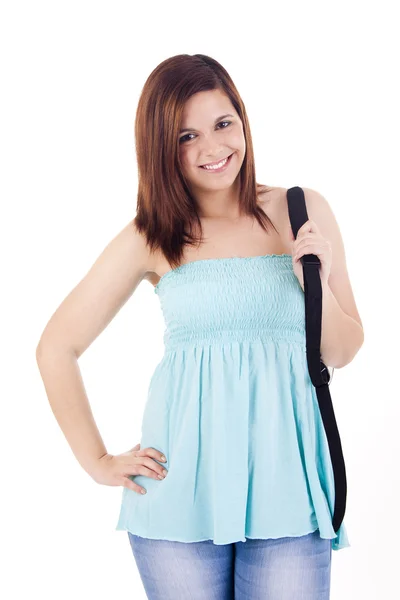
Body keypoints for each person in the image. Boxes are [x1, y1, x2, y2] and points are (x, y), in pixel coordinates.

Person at [36, 54, 364, 599]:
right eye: (187, 136)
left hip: (290, 489)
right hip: (178, 496)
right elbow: (56, 346)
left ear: (242, 120)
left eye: (222, 124)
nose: (213, 149)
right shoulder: (153, 235)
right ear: (161, 148)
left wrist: (314, 284)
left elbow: (345, 349)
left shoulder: (301, 210)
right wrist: (97, 461)